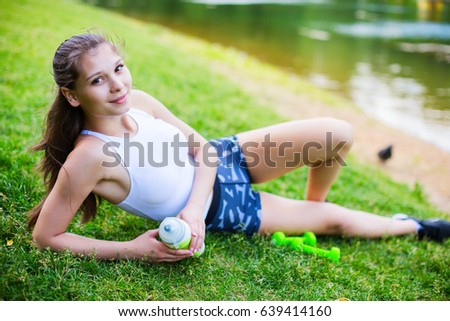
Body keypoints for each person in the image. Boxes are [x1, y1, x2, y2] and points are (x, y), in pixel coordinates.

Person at [28, 33, 450, 263]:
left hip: (225, 160)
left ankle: (311, 209)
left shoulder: (139, 101)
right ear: (72, 95)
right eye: (98, 80)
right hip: (222, 207)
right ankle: (414, 224)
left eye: (118, 68)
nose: (118, 84)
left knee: (336, 134)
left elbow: (205, 150)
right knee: (340, 224)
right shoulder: (91, 156)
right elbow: (46, 238)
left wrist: (190, 208)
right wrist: (132, 250)